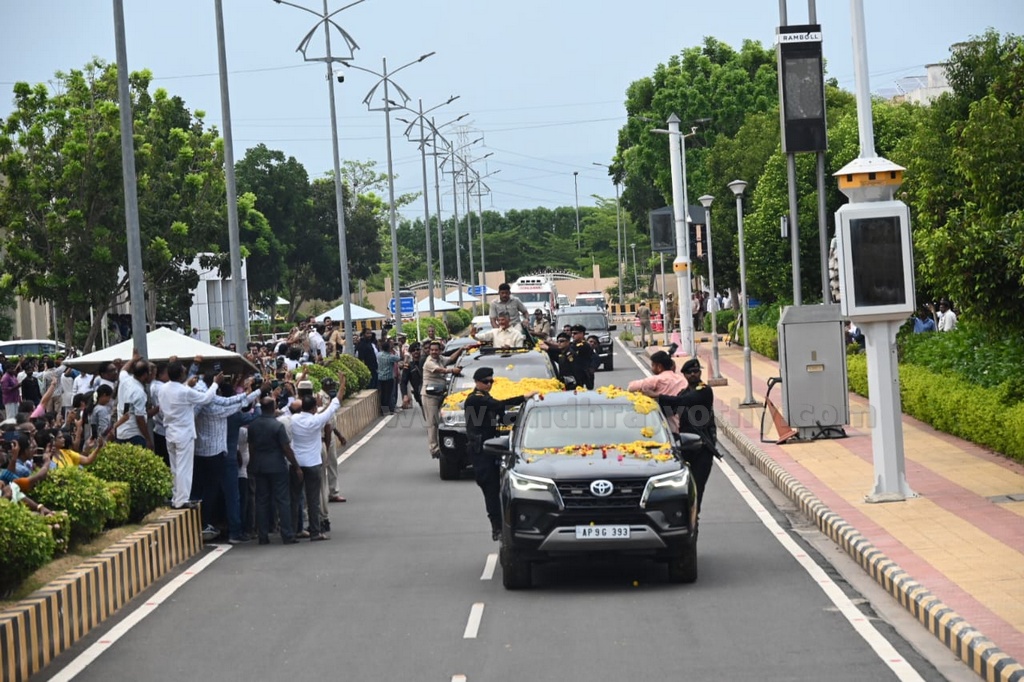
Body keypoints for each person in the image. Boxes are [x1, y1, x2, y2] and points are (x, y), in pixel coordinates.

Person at [464, 366, 537, 540]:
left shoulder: (486, 397)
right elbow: (498, 405)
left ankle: (504, 522)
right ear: (477, 382)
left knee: (500, 489)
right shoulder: (475, 399)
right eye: (486, 381)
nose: (489, 384)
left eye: (491, 381)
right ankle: (496, 526)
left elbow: (499, 417)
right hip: (481, 451)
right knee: (490, 489)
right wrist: (523, 397)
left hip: (493, 449)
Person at [657, 358, 718, 516]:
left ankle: (693, 520)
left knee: (697, 488)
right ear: (683, 375)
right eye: (689, 372)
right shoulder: (683, 392)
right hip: (684, 447)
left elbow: (684, 402)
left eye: (696, 371)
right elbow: (670, 411)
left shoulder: (704, 390)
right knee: (684, 488)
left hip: (702, 447)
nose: (693, 374)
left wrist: (658, 398)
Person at [289, 375, 345, 541]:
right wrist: (342, 384)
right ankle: (315, 531)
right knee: (313, 499)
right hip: (313, 464)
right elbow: (335, 404)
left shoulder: (293, 419)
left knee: (296, 498)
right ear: (314, 408)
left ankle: (293, 531)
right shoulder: (317, 420)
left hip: (297, 465)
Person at [160, 362, 222, 509]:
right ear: (181, 375)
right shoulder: (184, 392)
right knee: (184, 467)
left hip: (170, 431)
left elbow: (180, 393)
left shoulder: (163, 389)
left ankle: (177, 497)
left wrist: (188, 385)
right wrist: (215, 384)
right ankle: (182, 500)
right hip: (184, 433)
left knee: (175, 466)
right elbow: (206, 399)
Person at [246, 395, 301, 545]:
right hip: (277, 466)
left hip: (259, 466)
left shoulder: (253, 425)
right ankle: (287, 534)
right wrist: (295, 465)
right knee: (283, 500)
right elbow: (286, 448)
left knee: (261, 500)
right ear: (272, 408)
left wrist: (252, 463)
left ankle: (263, 535)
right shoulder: (277, 426)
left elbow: (251, 447)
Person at [421, 340, 467, 459]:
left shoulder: (440, 358)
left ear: (440, 350)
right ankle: (434, 449)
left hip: (441, 393)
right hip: (429, 395)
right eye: (432, 350)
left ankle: (443, 446)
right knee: (432, 423)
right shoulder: (429, 362)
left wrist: (461, 350)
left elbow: (451, 359)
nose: (434, 352)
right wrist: (452, 370)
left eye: (436, 350)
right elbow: (440, 370)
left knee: (443, 422)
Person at [627, 351, 691, 434]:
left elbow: (631, 387)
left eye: (653, 365)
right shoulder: (682, 380)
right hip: (682, 423)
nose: (651, 367)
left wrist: (647, 391)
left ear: (659, 367)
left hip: (663, 424)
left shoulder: (657, 380)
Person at [565, 324, 594, 389]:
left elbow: (594, 358)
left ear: (582, 334)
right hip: (574, 374)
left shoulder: (585, 346)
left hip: (585, 374)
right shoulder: (571, 345)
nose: (573, 335)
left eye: (575, 333)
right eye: (572, 333)